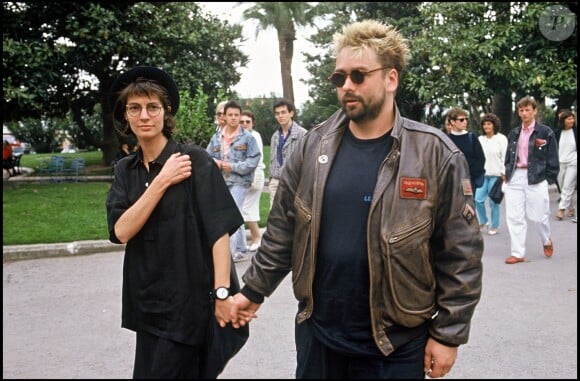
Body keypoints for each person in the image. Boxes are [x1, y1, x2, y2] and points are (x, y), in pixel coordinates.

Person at [230, 20, 483, 379]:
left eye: (359, 76)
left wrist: (448, 335)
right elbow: (284, 229)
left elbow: (461, 256)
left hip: (395, 345)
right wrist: (252, 291)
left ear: (391, 79)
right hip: (320, 337)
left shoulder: (435, 154)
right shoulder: (311, 147)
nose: (346, 86)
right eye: (339, 78)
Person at [105, 66, 245, 378]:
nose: (144, 115)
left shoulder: (194, 160)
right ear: (125, 116)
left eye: (152, 107)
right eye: (135, 108)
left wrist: (222, 293)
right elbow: (122, 230)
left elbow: (218, 232)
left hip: (188, 305)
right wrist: (161, 181)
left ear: (166, 113)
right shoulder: (125, 171)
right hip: (147, 306)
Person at [503, 95, 559, 264]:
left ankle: (546, 239)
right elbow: (508, 156)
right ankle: (518, 253)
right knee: (514, 216)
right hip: (516, 176)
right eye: (521, 110)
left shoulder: (545, 132)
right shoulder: (514, 133)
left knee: (540, 215)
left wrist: (548, 178)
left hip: (536, 177)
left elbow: (552, 158)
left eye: (528, 109)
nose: (524, 113)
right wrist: (507, 173)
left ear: (535, 111)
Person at [206, 100, 260, 263]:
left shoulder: (248, 138)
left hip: (239, 182)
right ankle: (241, 249)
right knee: (231, 214)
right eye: (230, 115)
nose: (234, 118)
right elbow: (208, 156)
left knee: (232, 213)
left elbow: (253, 161)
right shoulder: (217, 137)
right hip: (221, 181)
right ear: (225, 116)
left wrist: (231, 166)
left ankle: (227, 255)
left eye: (237, 115)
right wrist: (215, 163)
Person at [268, 98, 308, 209]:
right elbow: (272, 159)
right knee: (275, 218)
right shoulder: (275, 136)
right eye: (277, 113)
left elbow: (307, 161)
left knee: (291, 217)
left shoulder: (303, 134)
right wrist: (272, 178)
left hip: (293, 183)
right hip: (275, 182)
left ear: (291, 113)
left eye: (283, 112)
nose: (280, 116)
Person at [474, 113, 508, 235]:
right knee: (478, 199)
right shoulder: (480, 139)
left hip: (497, 175)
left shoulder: (501, 139)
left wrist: (504, 172)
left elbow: (505, 157)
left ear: (494, 125)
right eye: (484, 124)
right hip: (483, 175)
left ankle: (495, 226)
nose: (486, 126)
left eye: (489, 124)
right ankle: (483, 221)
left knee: (494, 202)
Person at [240, 110, 265, 252]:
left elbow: (254, 159)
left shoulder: (254, 136)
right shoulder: (241, 136)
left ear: (252, 123)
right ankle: (252, 238)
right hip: (244, 175)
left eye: (247, 122)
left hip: (254, 175)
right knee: (247, 208)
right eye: (242, 122)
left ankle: (257, 237)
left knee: (248, 208)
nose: (244, 124)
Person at [446, 107, 486, 194]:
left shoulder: (471, 137)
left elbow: (480, 158)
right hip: (451, 181)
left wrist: (472, 175)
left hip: (468, 180)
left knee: (468, 205)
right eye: (461, 120)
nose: (465, 122)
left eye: (466, 119)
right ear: (452, 122)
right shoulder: (446, 139)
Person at [554, 110, 577, 221]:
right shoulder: (557, 133)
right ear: (563, 121)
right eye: (569, 119)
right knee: (563, 187)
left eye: (573, 118)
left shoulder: (575, 132)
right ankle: (571, 208)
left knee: (568, 185)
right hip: (560, 162)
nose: (572, 120)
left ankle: (561, 209)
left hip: (574, 162)